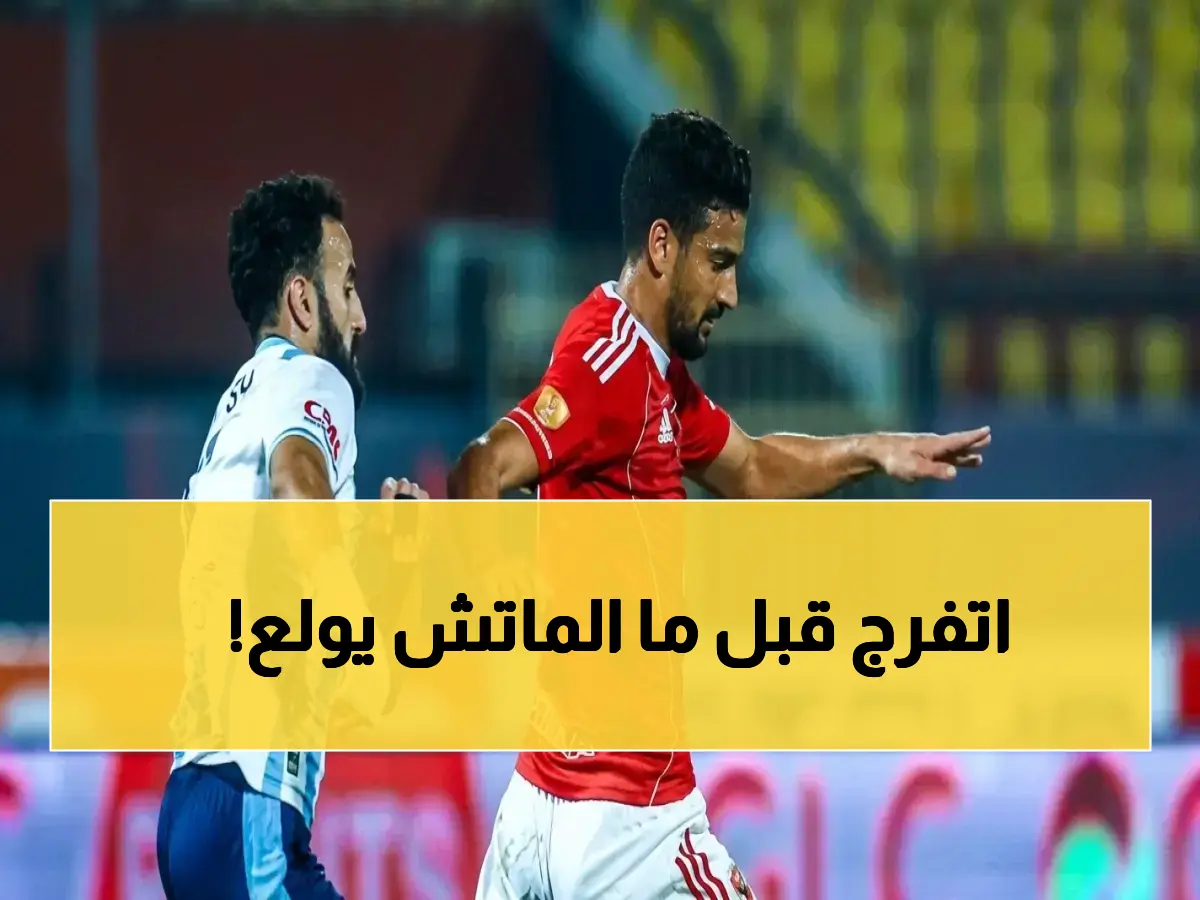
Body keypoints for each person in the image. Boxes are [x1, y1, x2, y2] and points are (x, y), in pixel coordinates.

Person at [449, 110, 991, 899]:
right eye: (719, 262)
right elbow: (483, 463)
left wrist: (874, 449)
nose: (732, 293)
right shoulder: (608, 369)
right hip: (631, 823)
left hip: (538, 805)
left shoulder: (647, 370)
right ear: (662, 246)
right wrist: (478, 591)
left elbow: (754, 467)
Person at [157, 173, 427, 900]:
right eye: (348, 287)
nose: (361, 317)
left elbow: (359, 692)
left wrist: (392, 570)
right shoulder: (313, 379)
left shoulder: (234, 414)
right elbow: (296, 481)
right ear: (304, 301)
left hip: (197, 802)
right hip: (250, 811)